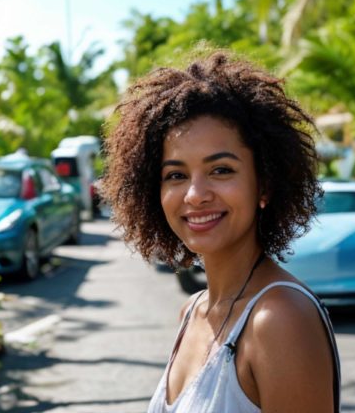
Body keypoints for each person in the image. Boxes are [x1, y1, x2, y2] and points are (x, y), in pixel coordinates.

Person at [99, 50, 341, 412]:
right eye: (176, 175)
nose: (195, 195)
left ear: (264, 185)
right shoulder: (190, 313)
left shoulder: (278, 319)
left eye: (221, 170)